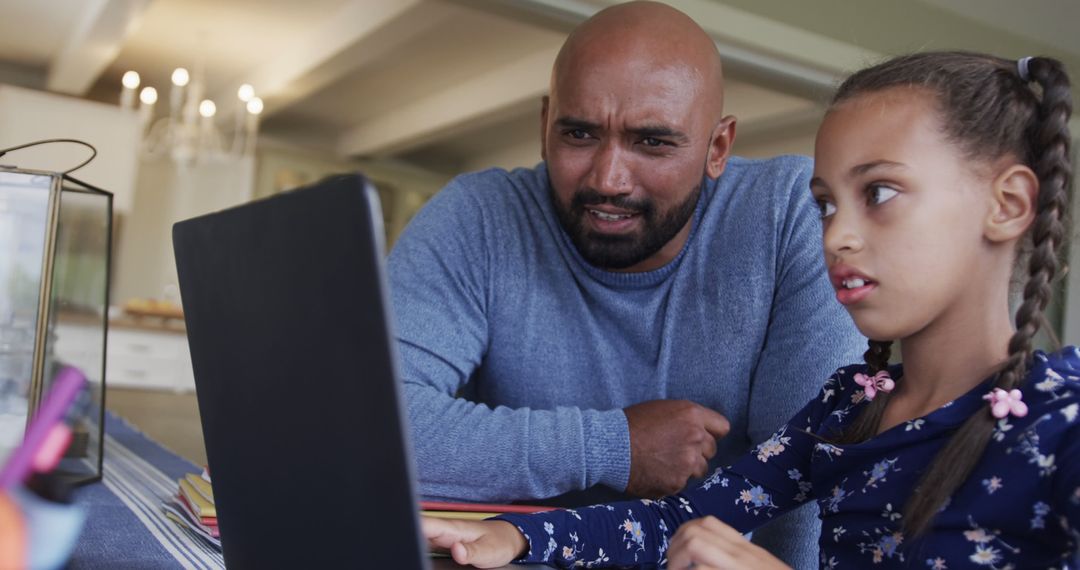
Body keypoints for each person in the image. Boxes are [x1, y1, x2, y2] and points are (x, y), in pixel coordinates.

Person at [419, 50, 1078, 569]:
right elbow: (677, 521)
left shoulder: (1064, 425)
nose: (837, 234)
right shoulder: (849, 408)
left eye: (879, 192)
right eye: (826, 203)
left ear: (1009, 206)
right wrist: (512, 536)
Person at [388, 1, 863, 566]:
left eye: (653, 142)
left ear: (718, 148)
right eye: (580, 134)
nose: (608, 179)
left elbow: (807, 487)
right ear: (545, 127)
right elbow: (369, 428)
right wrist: (613, 446)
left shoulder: (786, 215)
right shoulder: (479, 216)